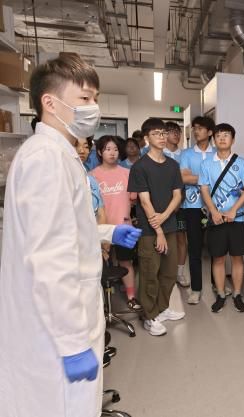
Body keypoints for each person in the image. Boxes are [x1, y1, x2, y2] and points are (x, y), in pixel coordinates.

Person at [0, 52, 141, 417]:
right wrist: (72, 342)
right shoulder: (45, 159)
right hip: (57, 331)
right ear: (50, 102)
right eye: (84, 98)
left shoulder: (60, 155)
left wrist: (110, 230)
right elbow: (50, 259)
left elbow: (68, 227)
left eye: (95, 98)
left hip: (68, 317)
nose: (93, 107)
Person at [128, 117, 185, 336]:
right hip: (149, 231)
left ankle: (162, 308)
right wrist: (158, 229)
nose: (161, 137)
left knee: (169, 273)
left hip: (169, 225)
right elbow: (144, 201)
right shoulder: (140, 167)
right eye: (156, 134)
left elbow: (177, 195)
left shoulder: (172, 165)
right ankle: (149, 316)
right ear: (146, 138)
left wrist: (164, 218)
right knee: (150, 273)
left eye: (163, 133)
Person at [199, 123, 244, 313]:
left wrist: (234, 210)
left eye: (226, 135)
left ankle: (237, 294)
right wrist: (213, 211)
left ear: (233, 139)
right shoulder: (207, 164)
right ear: (214, 139)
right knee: (218, 258)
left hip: (237, 219)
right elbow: (204, 189)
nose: (222, 138)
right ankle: (221, 294)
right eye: (219, 135)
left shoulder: (242, 163)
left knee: (237, 258)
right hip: (216, 219)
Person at [91, 135, 141, 311]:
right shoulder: (92, 176)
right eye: (107, 149)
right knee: (101, 264)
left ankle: (131, 297)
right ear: (99, 152)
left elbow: (134, 199)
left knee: (126, 262)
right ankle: (101, 302)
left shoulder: (127, 173)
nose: (112, 153)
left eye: (115, 149)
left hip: (123, 226)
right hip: (101, 228)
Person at [180, 116, 215, 304]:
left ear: (209, 132)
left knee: (216, 249)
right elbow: (183, 178)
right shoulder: (186, 154)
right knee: (194, 250)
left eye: (200, 128)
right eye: (194, 128)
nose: (196, 131)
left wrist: (196, 177)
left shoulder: (217, 153)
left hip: (216, 207)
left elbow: (222, 178)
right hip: (192, 206)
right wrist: (209, 179)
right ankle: (196, 289)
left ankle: (218, 285)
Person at [164, 121, 189, 287]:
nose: (176, 134)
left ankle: (179, 273)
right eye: (171, 131)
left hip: (181, 203)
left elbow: (186, 179)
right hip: (162, 204)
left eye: (178, 131)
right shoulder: (158, 154)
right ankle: (165, 272)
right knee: (164, 238)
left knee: (181, 239)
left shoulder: (185, 155)